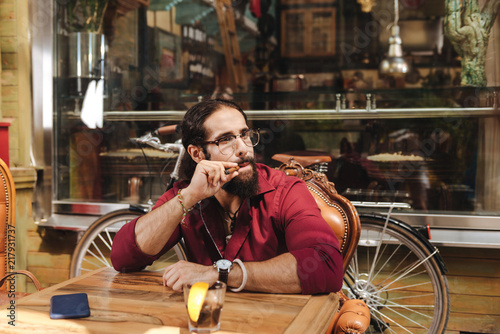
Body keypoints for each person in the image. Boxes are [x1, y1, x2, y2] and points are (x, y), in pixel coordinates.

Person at [110, 99, 343, 295]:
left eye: (245, 134)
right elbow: (123, 258)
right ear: (197, 153)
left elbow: (326, 265)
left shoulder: (286, 191)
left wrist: (218, 273)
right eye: (226, 139)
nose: (243, 149)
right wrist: (189, 197)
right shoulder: (188, 193)